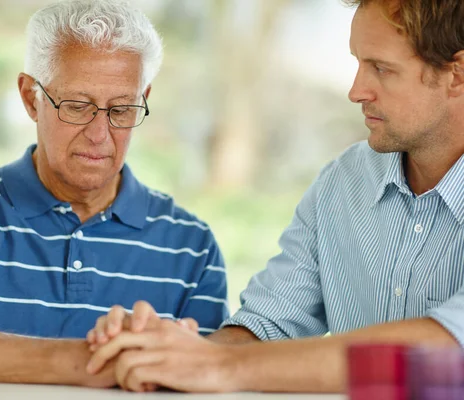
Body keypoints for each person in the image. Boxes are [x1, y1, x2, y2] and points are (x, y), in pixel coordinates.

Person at [85, 0, 464, 393]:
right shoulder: (343, 183)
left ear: (456, 74)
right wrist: (166, 353)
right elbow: (269, 326)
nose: (356, 90)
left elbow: (451, 350)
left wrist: (219, 365)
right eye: (358, 62)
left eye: (381, 69)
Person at [0, 0, 228, 387]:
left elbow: (204, 379)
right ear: (30, 97)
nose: (100, 134)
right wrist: (91, 361)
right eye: (77, 105)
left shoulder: (194, 248)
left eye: (121, 110)